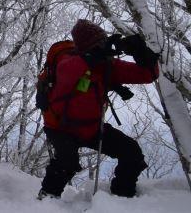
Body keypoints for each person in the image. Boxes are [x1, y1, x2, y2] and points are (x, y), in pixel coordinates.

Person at [38, 19, 160, 200]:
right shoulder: (66, 61)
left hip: (91, 128)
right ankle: (45, 201)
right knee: (67, 162)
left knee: (131, 152)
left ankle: (123, 198)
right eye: (98, 42)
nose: (102, 45)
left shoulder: (106, 65)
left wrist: (140, 52)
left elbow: (148, 75)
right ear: (86, 46)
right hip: (60, 127)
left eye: (103, 42)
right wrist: (95, 55)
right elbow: (69, 71)